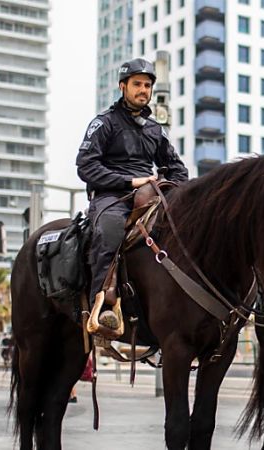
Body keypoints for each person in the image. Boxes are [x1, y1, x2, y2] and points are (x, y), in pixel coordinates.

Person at [77, 57, 189, 307]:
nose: (143, 90)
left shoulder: (155, 130)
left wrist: (171, 189)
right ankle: (102, 306)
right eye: (137, 84)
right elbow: (86, 165)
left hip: (150, 195)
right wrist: (131, 182)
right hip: (111, 197)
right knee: (109, 230)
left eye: (147, 85)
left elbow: (178, 170)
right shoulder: (104, 123)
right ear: (122, 87)